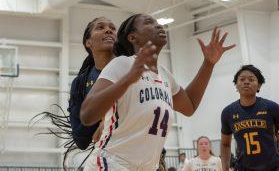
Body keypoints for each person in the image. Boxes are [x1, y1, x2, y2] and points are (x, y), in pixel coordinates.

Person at [81, 13, 235, 171]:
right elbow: (86, 114)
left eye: (158, 23)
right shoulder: (122, 64)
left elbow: (190, 105)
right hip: (112, 163)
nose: (159, 26)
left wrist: (208, 64)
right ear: (132, 37)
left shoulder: (165, 75)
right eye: (149, 22)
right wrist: (128, 79)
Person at [30, 17, 117, 169]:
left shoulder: (133, 69)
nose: (108, 30)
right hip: (110, 157)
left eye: (112, 28)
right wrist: (101, 120)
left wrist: (108, 121)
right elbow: (81, 140)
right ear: (88, 42)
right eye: (100, 27)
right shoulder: (81, 83)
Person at [221, 65, 279, 171]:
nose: (246, 82)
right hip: (243, 168)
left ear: (259, 86)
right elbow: (225, 144)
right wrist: (225, 169)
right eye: (242, 79)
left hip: (272, 167)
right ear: (236, 85)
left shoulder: (272, 107)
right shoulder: (228, 112)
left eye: (251, 79)